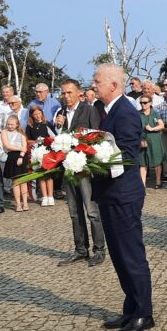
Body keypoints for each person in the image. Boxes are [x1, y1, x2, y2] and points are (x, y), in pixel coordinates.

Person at [91, 63, 154, 331]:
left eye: (97, 81)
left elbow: (127, 156)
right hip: (110, 193)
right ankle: (130, 307)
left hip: (123, 194)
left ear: (113, 86)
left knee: (131, 255)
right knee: (118, 255)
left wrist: (89, 163)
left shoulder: (126, 112)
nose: (93, 85)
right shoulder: (108, 111)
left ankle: (143, 313)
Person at [56, 78, 107, 267]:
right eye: (63, 93)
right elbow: (59, 141)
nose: (66, 96)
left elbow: (96, 136)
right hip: (68, 168)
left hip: (85, 168)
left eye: (70, 92)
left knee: (92, 211)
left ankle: (99, 249)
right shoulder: (61, 113)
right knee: (74, 212)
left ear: (79, 93)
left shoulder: (89, 109)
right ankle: (80, 249)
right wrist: (59, 126)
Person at [25, 105, 57, 206]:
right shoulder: (30, 126)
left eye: (39, 113)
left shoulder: (46, 124)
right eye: (35, 114)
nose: (37, 116)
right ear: (32, 115)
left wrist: (46, 141)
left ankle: (51, 196)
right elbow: (27, 139)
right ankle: (44, 196)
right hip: (36, 152)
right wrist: (35, 141)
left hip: (47, 151)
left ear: (42, 113)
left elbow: (54, 137)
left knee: (49, 175)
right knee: (41, 175)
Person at [0, 115, 29, 212]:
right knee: (15, 182)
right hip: (12, 157)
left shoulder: (21, 132)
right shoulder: (4, 132)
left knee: (23, 181)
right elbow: (7, 145)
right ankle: (18, 204)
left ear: (17, 125)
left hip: (22, 157)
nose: (10, 126)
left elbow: (25, 146)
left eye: (12, 124)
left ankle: (25, 203)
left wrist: (21, 155)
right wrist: (20, 148)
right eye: (8, 124)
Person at [138, 96, 165, 189]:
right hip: (142, 140)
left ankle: (158, 181)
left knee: (157, 160)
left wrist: (152, 129)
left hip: (154, 139)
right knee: (142, 162)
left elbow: (161, 125)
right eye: (141, 103)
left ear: (150, 103)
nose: (143, 104)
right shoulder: (138, 114)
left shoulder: (155, 113)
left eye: (145, 102)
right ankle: (142, 184)